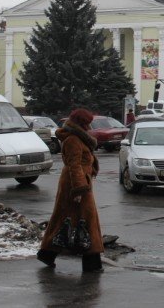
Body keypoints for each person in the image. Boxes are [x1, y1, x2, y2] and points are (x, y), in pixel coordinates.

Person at [37, 108, 104, 272]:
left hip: (77, 184)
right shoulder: (73, 139)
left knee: (63, 218)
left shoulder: (79, 138)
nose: (89, 126)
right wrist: (79, 190)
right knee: (86, 221)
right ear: (81, 124)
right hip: (76, 185)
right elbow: (74, 166)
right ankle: (92, 262)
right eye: (87, 123)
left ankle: (47, 253)